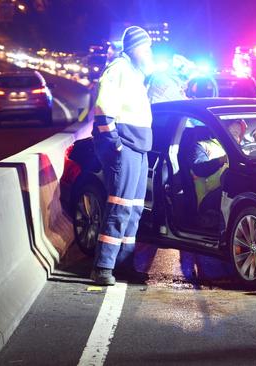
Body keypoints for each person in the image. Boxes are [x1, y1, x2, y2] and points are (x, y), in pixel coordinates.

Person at [90, 26, 154, 286]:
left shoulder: (136, 74)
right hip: (126, 147)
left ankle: (124, 264)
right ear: (135, 48)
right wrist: (116, 145)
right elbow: (104, 109)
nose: (150, 53)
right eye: (147, 48)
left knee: (134, 209)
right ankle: (102, 267)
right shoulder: (118, 69)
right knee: (119, 206)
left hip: (139, 148)